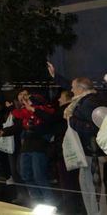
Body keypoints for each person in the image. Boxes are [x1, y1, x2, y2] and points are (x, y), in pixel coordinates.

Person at [49, 62, 107, 214]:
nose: (71, 90)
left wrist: (72, 120)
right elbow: (71, 85)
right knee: (88, 190)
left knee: (95, 191)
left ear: (81, 89)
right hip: (87, 154)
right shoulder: (84, 99)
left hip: (93, 155)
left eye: (74, 88)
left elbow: (95, 128)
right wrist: (56, 76)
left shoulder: (90, 102)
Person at [0, 90, 55, 204]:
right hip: (27, 147)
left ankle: (49, 201)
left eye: (28, 100)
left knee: (39, 175)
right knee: (25, 174)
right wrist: (4, 131)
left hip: (39, 147)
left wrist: (33, 112)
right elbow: (18, 122)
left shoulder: (44, 111)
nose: (25, 102)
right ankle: (37, 200)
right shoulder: (26, 114)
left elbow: (48, 121)